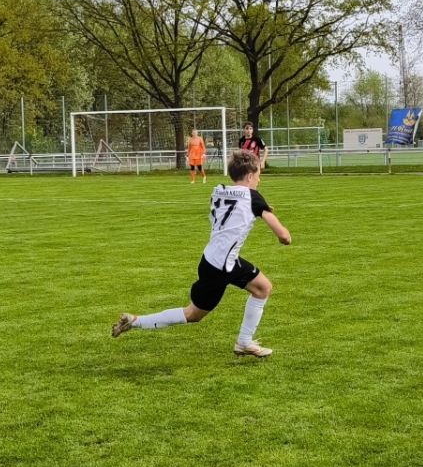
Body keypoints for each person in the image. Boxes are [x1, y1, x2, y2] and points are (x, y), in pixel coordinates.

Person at [111, 148, 290, 358]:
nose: (260, 179)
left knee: (263, 288)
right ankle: (135, 321)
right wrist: (271, 219)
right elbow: (283, 237)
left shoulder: (219, 190)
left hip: (217, 258)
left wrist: (261, 208)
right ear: (250, 176)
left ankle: (244, 342)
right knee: (193, 314)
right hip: (220, 267)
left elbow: (236, 208)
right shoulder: (254, 198)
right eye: (258, 174)